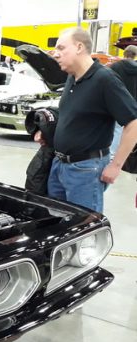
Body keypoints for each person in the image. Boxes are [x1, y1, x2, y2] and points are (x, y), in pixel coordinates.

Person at [32, 27, 137, 213]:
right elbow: (70, 114)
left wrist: (116, 166)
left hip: (85, 170)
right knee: (56, 221)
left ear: (79, 47)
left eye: (61, 48)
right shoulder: (72, 78)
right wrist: (45, 131)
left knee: (83, 225)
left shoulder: (105, 79)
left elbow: (133, 123)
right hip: (59, 165)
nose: (55, 54)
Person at [108, 45, 137, 157]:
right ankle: (124, 154)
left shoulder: (115, 67)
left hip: (115, 102)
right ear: (135, 55)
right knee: (129, 130)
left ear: (124, 53)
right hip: (133, 104)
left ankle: (111, 154)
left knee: (115, 129)